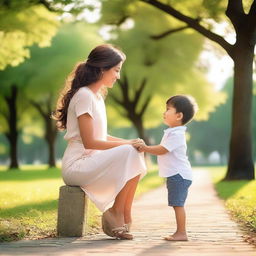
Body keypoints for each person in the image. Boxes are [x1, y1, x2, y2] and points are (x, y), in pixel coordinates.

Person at [53, 44, 146, 240]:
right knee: (130, 151)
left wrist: (131, 142)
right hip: (77, 165)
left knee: (136, 150)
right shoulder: (84, 96)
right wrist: (127, 144)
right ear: (103, 68)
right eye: (116, 70)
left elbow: (101, 136)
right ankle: (116, 213)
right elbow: (90, 142)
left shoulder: (96, 97)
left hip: (92, 161)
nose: (118, 76)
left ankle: (123, 211)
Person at [133, 95, 198, 241]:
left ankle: (181, 233)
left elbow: (163, 150)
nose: (164, 112)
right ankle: (180, 232)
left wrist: (145, 148)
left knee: (178, 204)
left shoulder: (177, 134)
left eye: (168, 109)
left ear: (179, 115)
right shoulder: (173, 132)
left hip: (179, 175)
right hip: (177, 174)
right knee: (177, 204)